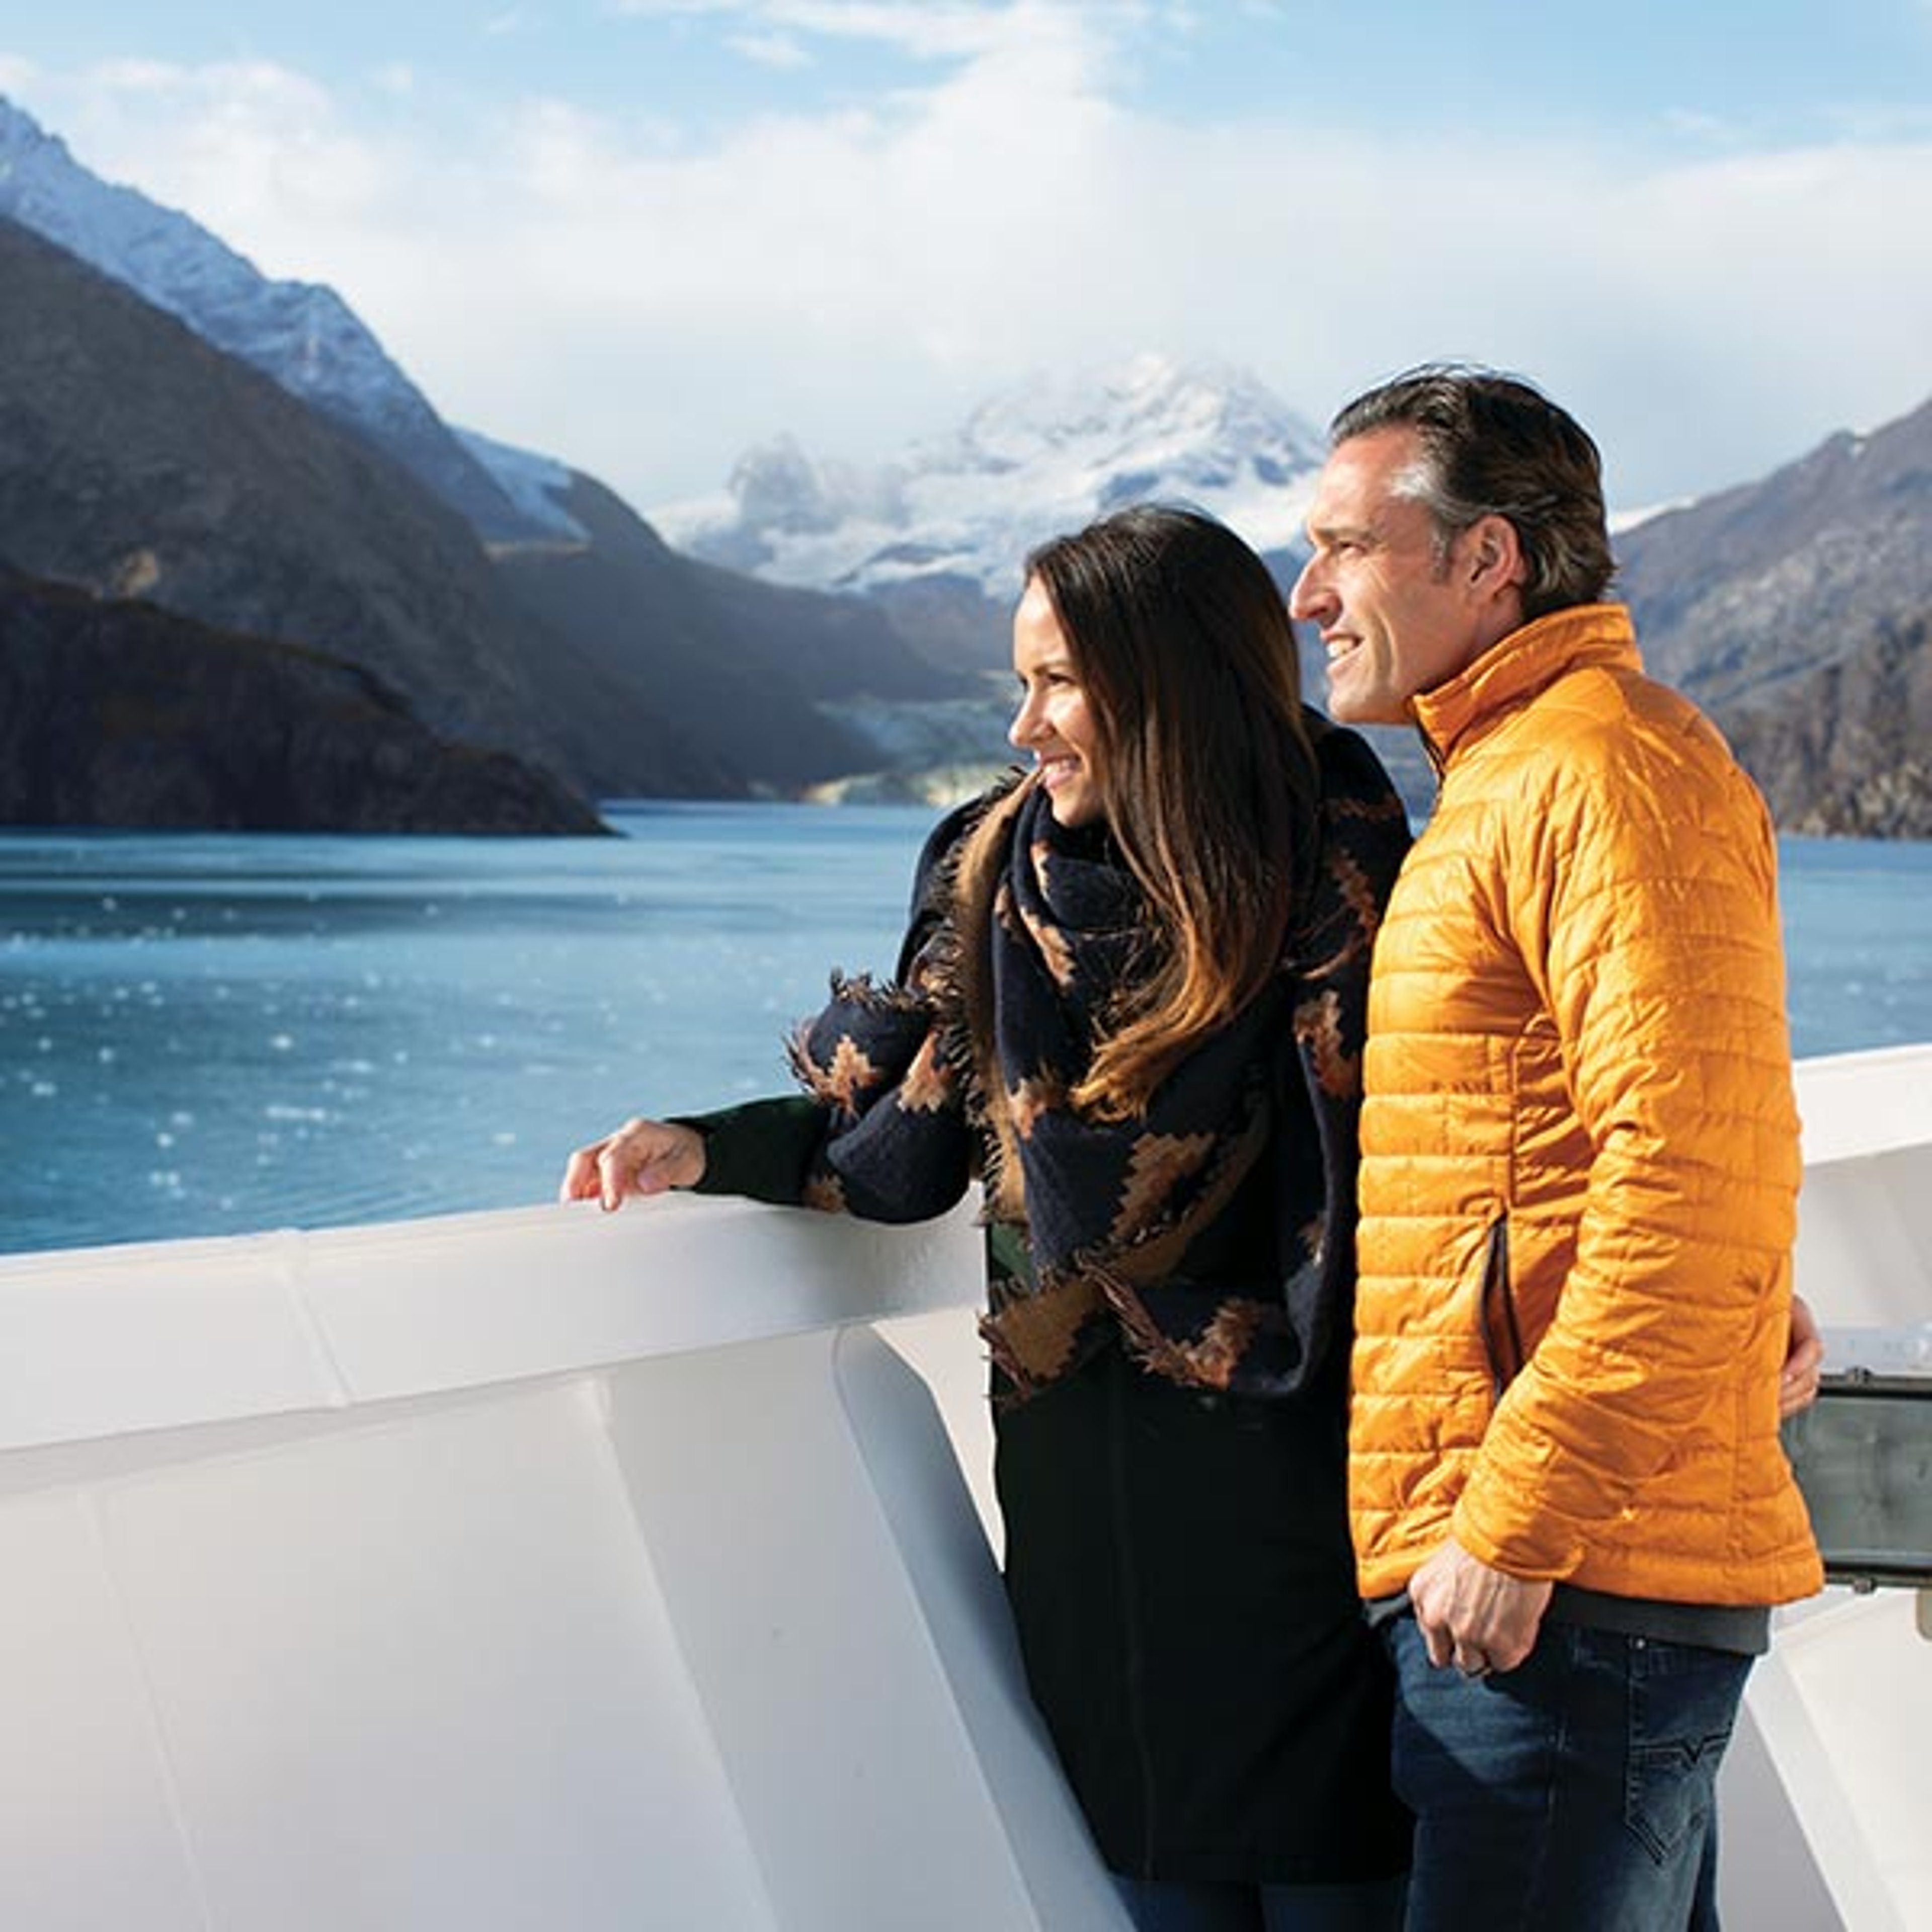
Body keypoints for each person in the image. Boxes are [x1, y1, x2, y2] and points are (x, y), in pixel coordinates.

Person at [562, 505, 1416, 1930]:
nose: (1026, 728)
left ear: (1179, 681)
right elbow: (895, 1146)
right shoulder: (990, 872)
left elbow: (1430, 1186)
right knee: (1152, 1897)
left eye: (1062, 683)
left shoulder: (1339, 873)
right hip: (1087, 1533)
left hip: (1308, 1526)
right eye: (1020, 685)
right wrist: (700, 1147)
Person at [1286, 364, 1825, 1931]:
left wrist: (1518, 1517)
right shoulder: (1520, 775)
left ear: (1488, 559)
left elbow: (1691, 1170)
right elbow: (1620, 1147)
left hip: (1563, 1585)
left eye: (1347, 546)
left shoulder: (1601, 771)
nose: (1311, 591)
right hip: (1556, 1575)